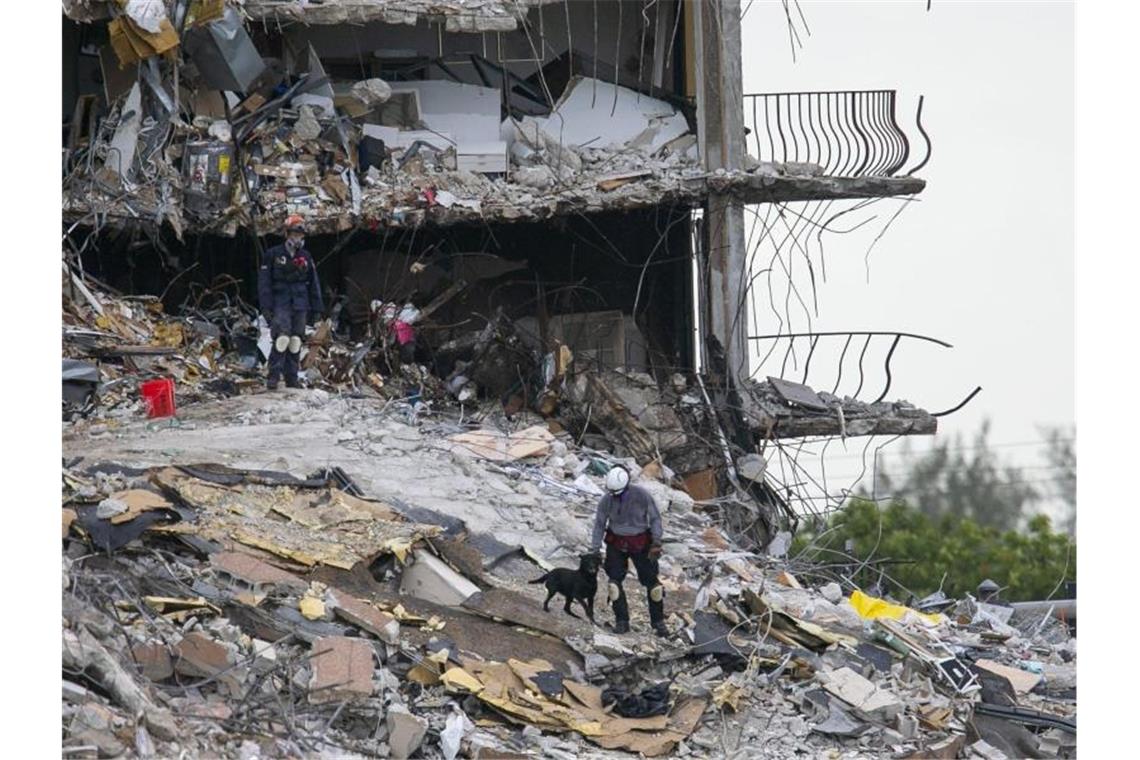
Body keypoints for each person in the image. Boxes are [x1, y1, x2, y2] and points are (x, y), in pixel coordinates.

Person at [589, 466, 667, 636]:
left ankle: (658, 622)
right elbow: (599, 525)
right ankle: (622, 621)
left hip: (641, 542)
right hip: (616, 542)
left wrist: (656, 541)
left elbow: (654, 518)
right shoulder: (606, 500)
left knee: (654, 586)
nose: (616, 496)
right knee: (613, 584)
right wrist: (595, 549)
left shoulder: (642, 496)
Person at [258, 215, 323, 389]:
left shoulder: (306, 256)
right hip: (281, 302)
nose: (297, 238)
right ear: (287, 234)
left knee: (295, 341)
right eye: (294, 233)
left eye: (300, 235)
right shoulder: (273, 254)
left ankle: (291, 377)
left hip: (300, 303)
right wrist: (265, 306)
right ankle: (273, 376)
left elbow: (313, 282)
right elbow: (264, 283)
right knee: (282, 339)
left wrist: (317, 308)